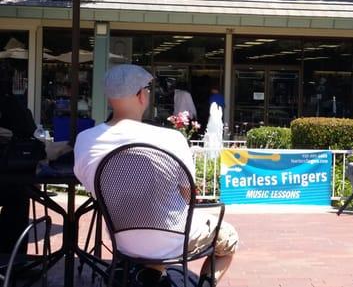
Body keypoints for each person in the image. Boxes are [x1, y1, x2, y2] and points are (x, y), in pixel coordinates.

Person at [73, 65, 238, 287]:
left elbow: (93, 187)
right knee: (228, 239)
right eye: (147, 89)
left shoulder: (85, 140)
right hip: (174, 238)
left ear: (110, 97)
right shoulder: (171, 139)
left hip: (122, 241)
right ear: (141, 95)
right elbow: (188, 196)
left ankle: (150, 274)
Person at [0, 62, 36, 254]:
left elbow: (27, 128)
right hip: (9, 176)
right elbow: (28, 128)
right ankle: (12, 258)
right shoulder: (9, 101)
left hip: (8, 172)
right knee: (18, 196)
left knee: (18, 194)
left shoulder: (8, 102)